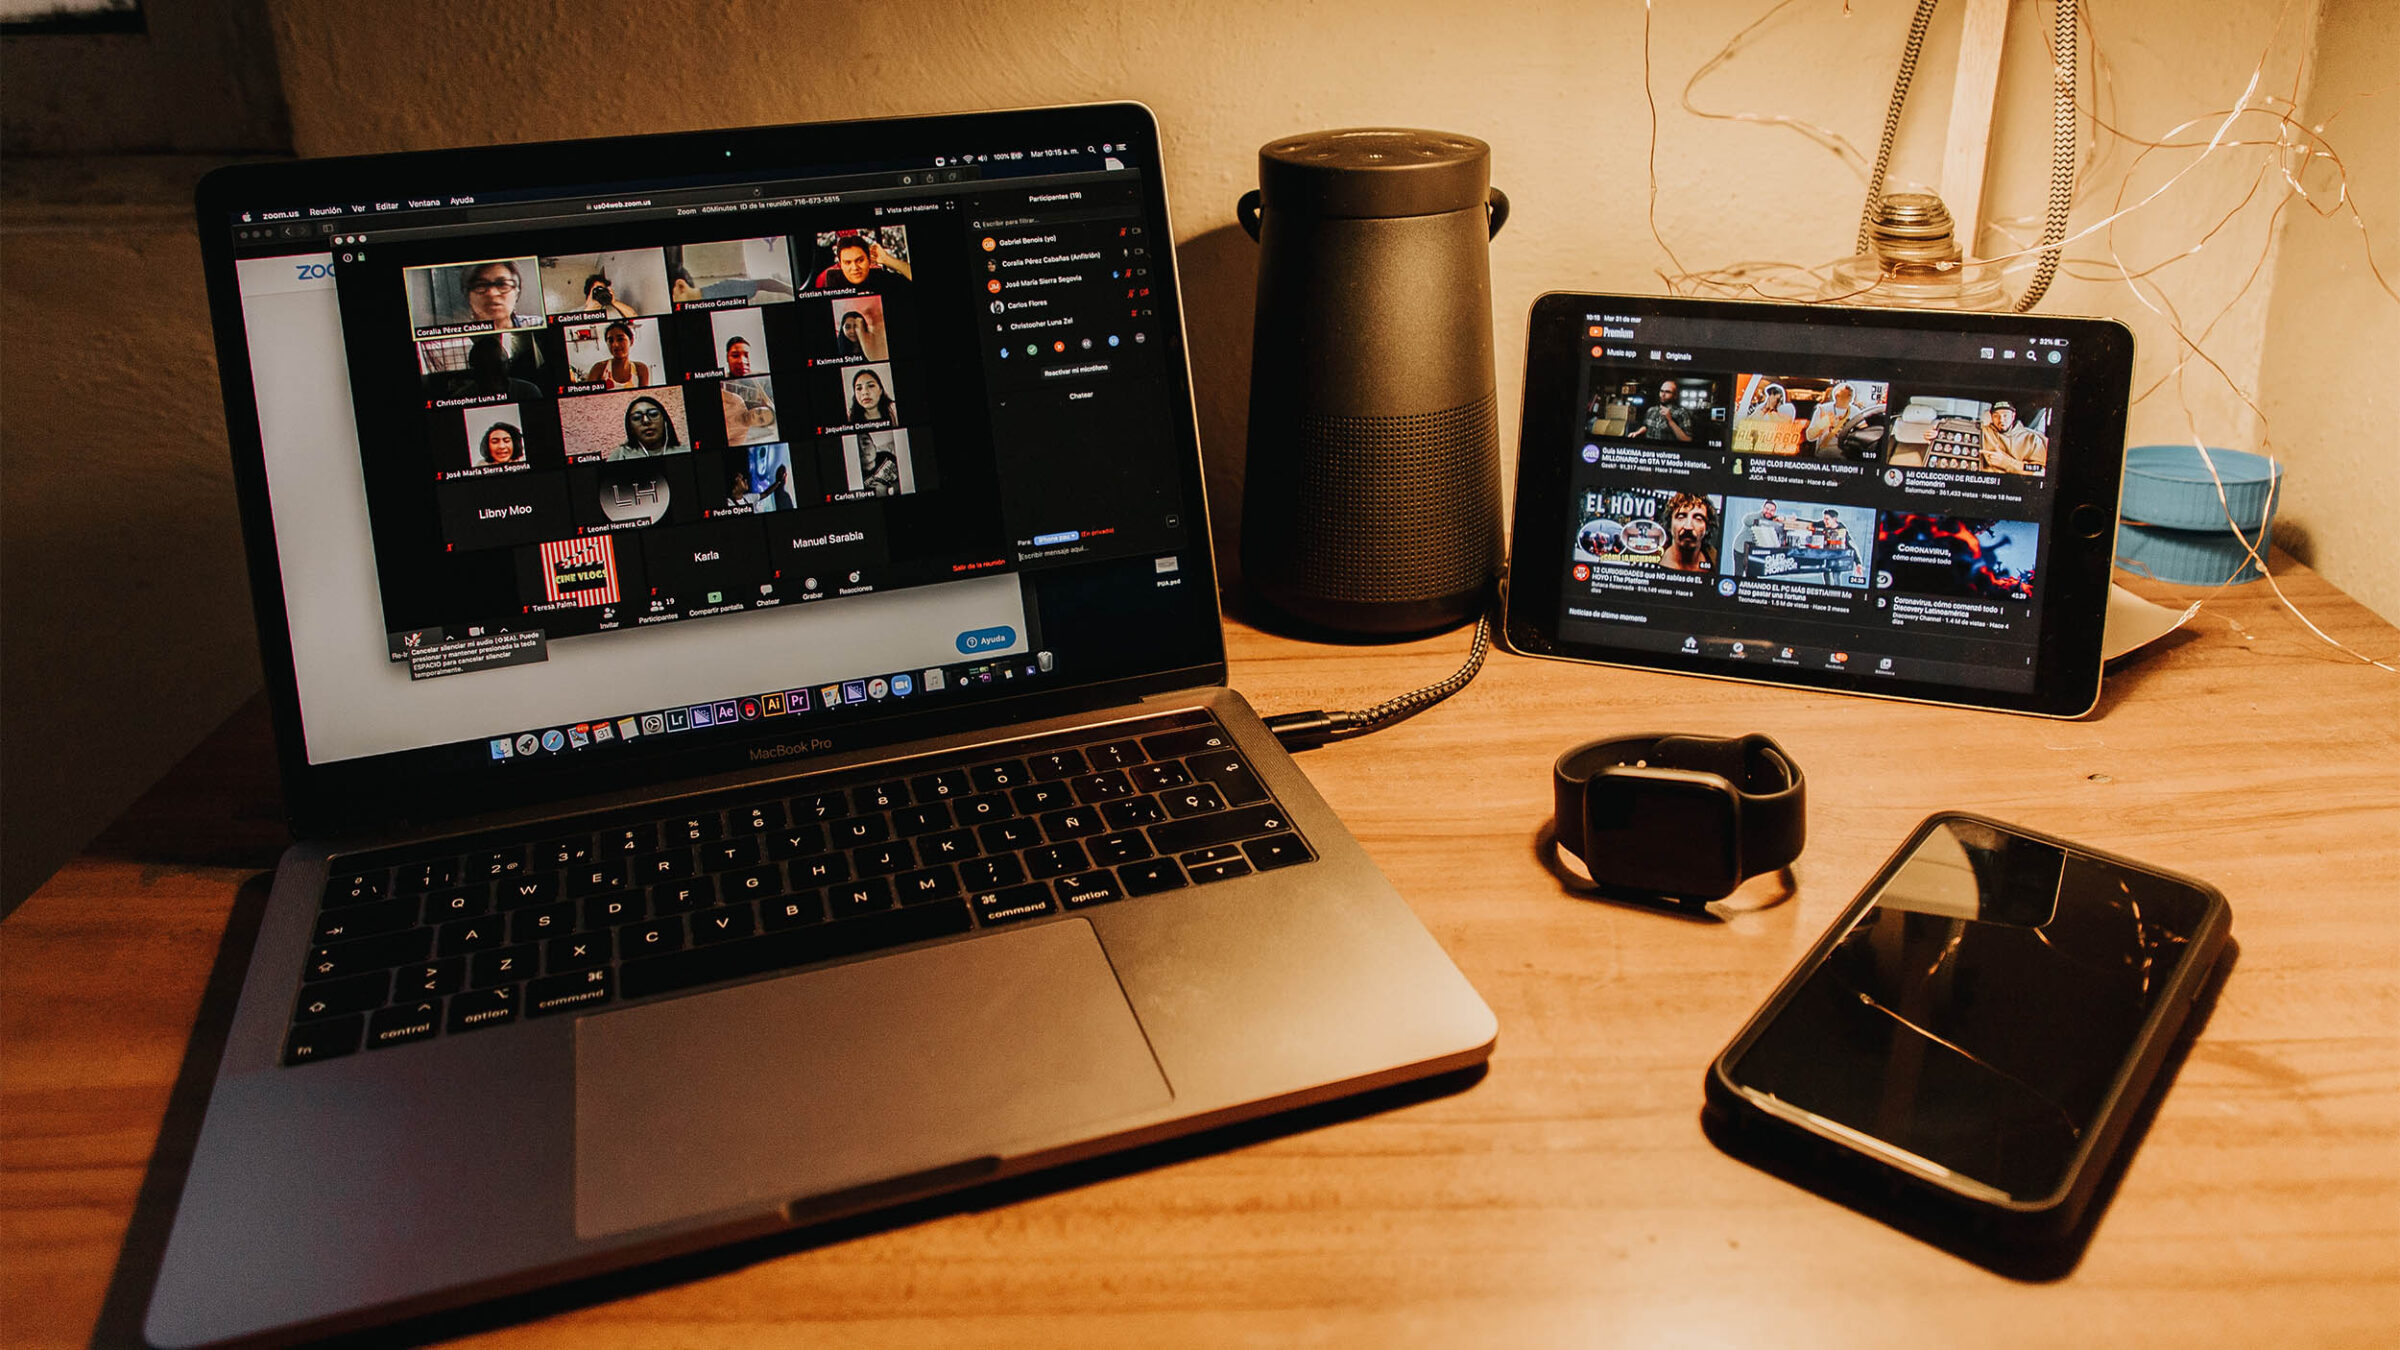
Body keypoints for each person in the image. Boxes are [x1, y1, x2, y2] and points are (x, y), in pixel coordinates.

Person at [812, 234, 912, 293]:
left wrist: (887, 259)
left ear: (869, 260)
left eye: (860, 260)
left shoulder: (881, 278)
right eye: (847, 262)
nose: (855, 267)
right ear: (840, 265)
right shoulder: (831, 283)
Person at [457, 260, 535, 330]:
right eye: (481, 285)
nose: (492, 293)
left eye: (502, 285)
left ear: (517, 293)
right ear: (468, 296)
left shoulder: (536, 324)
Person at [1980, 401, 2048, 474]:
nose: (2001, 420)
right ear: (1991, 417)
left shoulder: (2032, 439)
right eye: (1996, 416)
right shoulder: (1984, 432)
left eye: (2005, 415)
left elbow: (2040, 470)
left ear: (2013, 416)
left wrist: (2007, 463)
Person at [608, 396, 682, 460]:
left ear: (665, 420)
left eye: (653, 414)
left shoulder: (684, 450)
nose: (646, 421)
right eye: (637, 418)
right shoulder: (620, 455)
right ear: (630, 427)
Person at [582, 321, 651, 388]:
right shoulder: (599, 369)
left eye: (620, 339)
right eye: (610, 340)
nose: (615, 344)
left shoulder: (640, 369)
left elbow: (643, 396)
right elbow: (589, 398)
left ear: (631, 341)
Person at [1660, 493, 1716, 573]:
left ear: (1707, 528)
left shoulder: (1716, 560)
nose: (1688, 527)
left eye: (1698, 518)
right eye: (1681, 517)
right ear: (1670, 524)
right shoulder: (1652, 558)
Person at [1629, 380, 1694, 442]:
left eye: (1667, 392)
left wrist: (1670, 421)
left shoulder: (1681, 413)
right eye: (1661, 391)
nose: (1663, 394)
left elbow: (1687, 439)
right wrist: (1637, 432)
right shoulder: (1651, 410)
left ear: (1675, 396)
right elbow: (1646, 426)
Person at [572, 271, 638, 319]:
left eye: (603, 289)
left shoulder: (613, 308)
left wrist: (614, 302)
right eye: (597, 290)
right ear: (589, 294)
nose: (600, 292)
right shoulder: (575, 313)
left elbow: (634, 317)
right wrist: (589, 310)